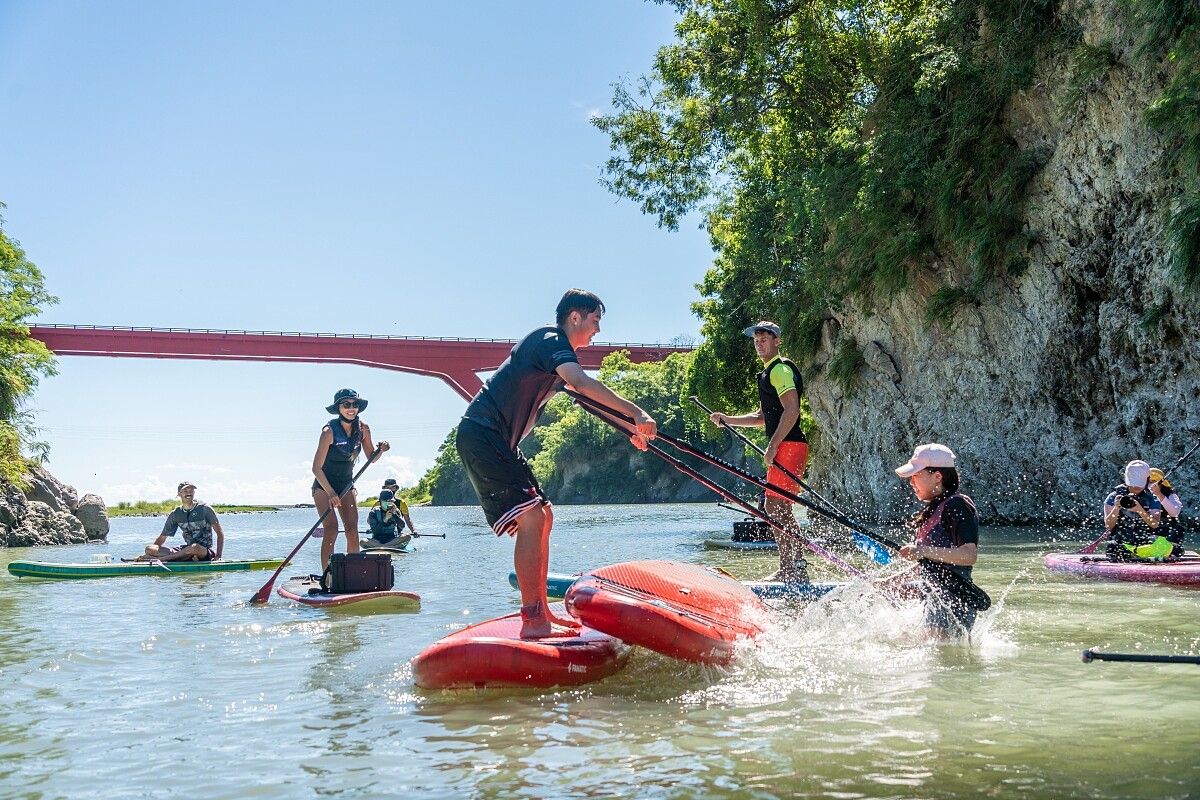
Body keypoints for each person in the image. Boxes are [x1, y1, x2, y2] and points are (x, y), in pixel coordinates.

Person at [455, 289, 657, 639]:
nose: (598, 330)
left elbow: (587, 399)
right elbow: (581, 383)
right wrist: (637, 412)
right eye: (595, 320)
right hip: (482, 434)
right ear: (575, 317)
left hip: (500, 441)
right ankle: (533, 620)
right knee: (532, 517)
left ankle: (542, 612)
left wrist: (631, 431)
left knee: (544, 515)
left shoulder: (559, 355)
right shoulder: (549, 340)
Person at [706, 321, 810, 582]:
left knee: (774, 506)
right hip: (787, 445)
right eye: (756, 340)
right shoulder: (767, 373)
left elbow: (792, 410)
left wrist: (773, 445)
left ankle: (789, 569)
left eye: (764, 339)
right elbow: (761, 416)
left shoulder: (780, 370)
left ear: (777, 341)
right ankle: (796, 567)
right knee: (779, 507)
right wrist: (728, 419)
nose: (759, 344)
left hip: (789, 445)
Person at [893, 443, 981, 635]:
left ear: (938, 476)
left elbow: (968, 555)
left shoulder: (957, 505)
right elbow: (929, 565)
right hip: (934, 603)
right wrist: (889, 582)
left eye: (916, 475)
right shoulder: (933, 509)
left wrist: (922, 551)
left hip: (953, 606)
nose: (911, 482)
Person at [312, 388, 389, 573]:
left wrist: (381, 450)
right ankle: (327, 576)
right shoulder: (328, 432)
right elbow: (316, 468)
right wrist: (331, 492)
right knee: (331, 529)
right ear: (338, 408)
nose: (351, 408)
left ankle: (353, 576)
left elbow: (371, 457)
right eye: (346, 404)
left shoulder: (364, 429)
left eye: (355, 404)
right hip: (324, 485)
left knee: (352, 530)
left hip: (346, 484)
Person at [140, 481, 225, 562]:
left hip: (203, 551)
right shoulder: (176, 513)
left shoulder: (205, 509)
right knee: (149, 548)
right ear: (179, 493)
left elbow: (220, 533)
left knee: (194, 548)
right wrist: (151, 553)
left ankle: (162, 559)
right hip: (186, 551)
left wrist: (218, 556)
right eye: (185, 491)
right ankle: (187, 559)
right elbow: (163, 537)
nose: (189, 493)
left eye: (191, 491)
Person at [1102, 460, 1167, 560]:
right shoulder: (1114, 497)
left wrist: (1140, 510)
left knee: (1175, 548)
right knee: (1112, 547)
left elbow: (1154, 524)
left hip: (1144, 543)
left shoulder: (1152, 498)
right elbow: (1109, 526)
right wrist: (1116, 508)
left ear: (1148, 480)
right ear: (1125, 479)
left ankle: (1139, 554)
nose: (1136, 487)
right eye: (1133, 483)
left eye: (1139, 483)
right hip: (1121, 542)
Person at [1148, 466, 1186, 557]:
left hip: (1168, 533)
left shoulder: (1170, 495)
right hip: (1151, 534)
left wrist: (1158, 494)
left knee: (1179, 529)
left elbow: (1174, 512)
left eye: (1153, 482)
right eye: (1148, 482)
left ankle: (1170, 549)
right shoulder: (1141, 496)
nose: (1150, 485)